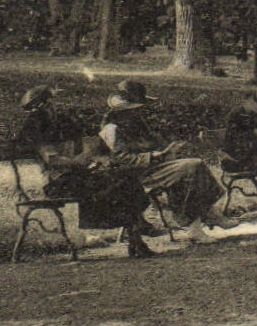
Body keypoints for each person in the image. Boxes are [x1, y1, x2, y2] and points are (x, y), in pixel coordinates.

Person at [14, 86, 156, 258]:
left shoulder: (62, 123)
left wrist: (88, 155)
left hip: (76, 177)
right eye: (48, 104)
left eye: (51, 103)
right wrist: (80, 160)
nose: (53, 107)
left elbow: (85, 145)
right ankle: (137, 233)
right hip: (58, 183)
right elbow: (53, 159)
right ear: (41, 106)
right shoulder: (35, 128)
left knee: (124, 178)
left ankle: (136, 236)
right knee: (118, 182)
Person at [98, 80, 238, 242]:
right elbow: (121, 159)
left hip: (153, 168)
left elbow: (153, 145)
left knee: (194, 165)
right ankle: (194, 224)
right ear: (121, 110)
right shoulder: (112, 129)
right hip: (133, 175)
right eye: (134, 108)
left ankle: (207, 213)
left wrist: (168, 149)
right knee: (191, 167)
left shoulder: (136, 124)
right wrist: (154, 156)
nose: (138, 111)